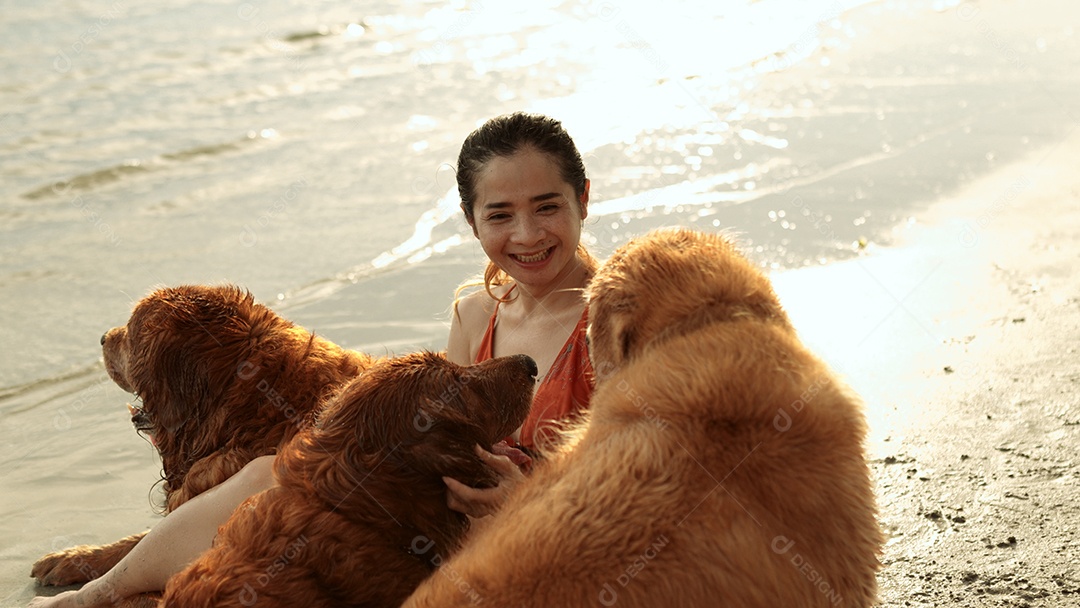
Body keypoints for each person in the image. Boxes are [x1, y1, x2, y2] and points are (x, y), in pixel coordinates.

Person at [28, 112, 596, 607]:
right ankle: (99, 594)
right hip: (455, 515)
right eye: (500, 215)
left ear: (584, 200)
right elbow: (445, 437)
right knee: (271, 473)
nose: (526, 234)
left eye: (547, 207)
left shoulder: (614, 319)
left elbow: (641, 479)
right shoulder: (474, 313)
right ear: (472, 222)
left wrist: (522, 500)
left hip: (556, 533)